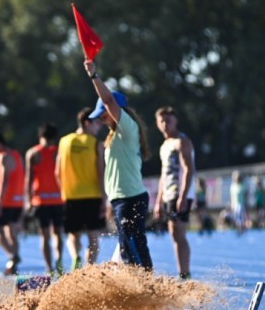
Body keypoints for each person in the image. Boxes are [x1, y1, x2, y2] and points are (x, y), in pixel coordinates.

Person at [83, 59, 153, 271]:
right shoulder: (114, 136)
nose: (101, 120)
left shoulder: (127, 128)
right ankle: (137, 287)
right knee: (127, 247)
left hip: (130, 197)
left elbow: (108, 100)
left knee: (133, 245)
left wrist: (94, 75)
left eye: (103, 114)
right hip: (120, 199)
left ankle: (147, 286)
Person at [56, 108, 106, 271]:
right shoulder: (95, 143)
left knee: (73, 234)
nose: (99, 127)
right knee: (93, 235)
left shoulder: (64, 141)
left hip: (71, 195)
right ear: (87, 123)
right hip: (92, 194)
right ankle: (90, 269)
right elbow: (100, 171)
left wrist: (64, 190)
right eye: (97, 123)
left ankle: (76, 257)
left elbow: (57, 171)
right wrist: (104, 197)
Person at [152, 106, 195, 279]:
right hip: (169, 194)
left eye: (168, 120)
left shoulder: (181, 141)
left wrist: (183, 196)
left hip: (180, 193)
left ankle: (185, 273)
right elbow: (164, 175)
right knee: (174, 233)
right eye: (161, 120)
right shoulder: (164, 145)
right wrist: (158, 201)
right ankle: (182, 272)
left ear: (176, 121)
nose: (165, 124)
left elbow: (188, 169)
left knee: (179, 232)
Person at [25, 122, 65, 275]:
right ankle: (59, 260)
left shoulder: (33, 153)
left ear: (39, 135)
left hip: (40, 201)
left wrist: (28, 200)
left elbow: (29, 178)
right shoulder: (58, 152)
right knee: (58, 233)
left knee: (44, 236)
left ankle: (49, 267)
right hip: (58, 199)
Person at [0, 131, 25, 275]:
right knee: (11, 233)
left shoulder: (3, 157)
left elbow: (4, 182)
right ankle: (13, 264)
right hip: (18, 201)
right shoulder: (17, 155)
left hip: (6, 202)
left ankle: (13, 255)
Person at [229, 170, 248, 235]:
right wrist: (231, 204)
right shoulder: (232, 186)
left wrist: (246, 204)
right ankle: (239, 230)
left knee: (241, 218)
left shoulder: (243, 186)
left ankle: (242, 230)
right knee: (236, 218)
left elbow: (246, 196)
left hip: (241, 205)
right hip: (234, 205)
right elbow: (231, 196)